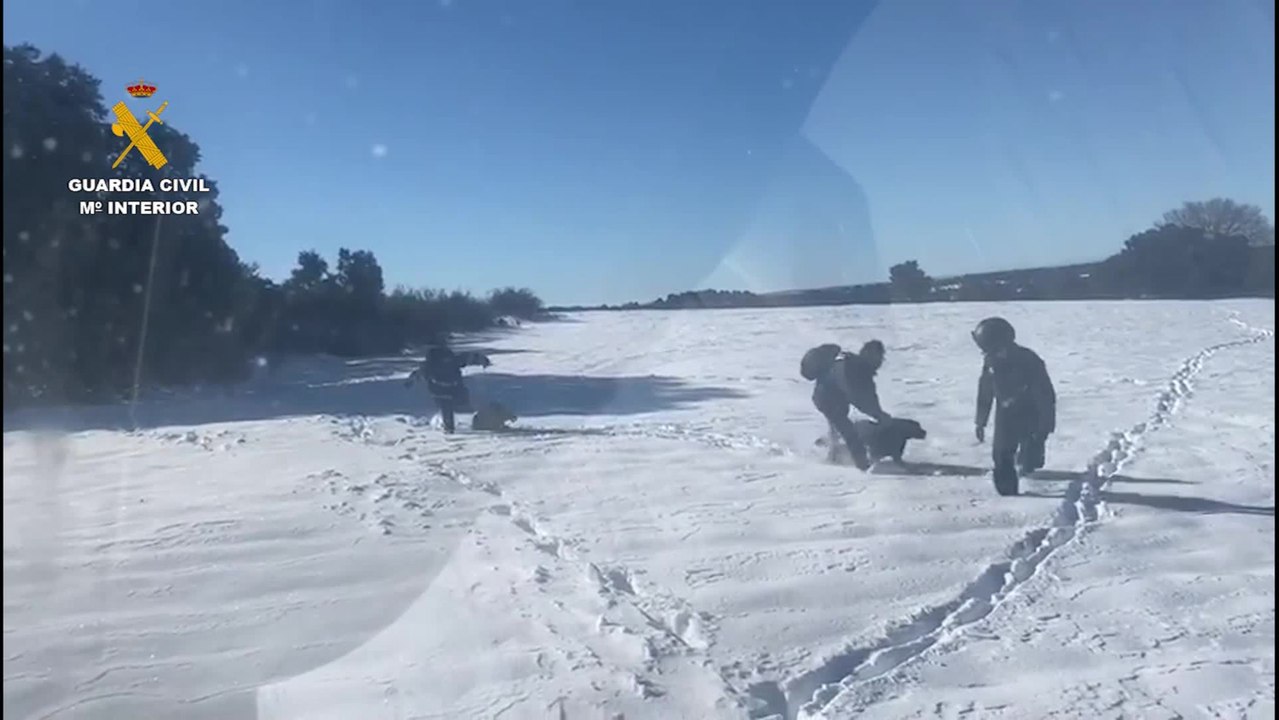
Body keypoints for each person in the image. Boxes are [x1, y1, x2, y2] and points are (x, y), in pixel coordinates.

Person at [971, 317, 1057, 496]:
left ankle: (1029, 462)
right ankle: (1009, 493)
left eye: (990, 348)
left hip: (1032, 412)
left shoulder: (1029, 360)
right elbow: (985, 391)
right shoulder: (991, 362)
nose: (987, 353)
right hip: (1006, 414)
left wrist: (1045, 426)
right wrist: (980, 422)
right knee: (1001, 454)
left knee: (1030, 454)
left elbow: (1046, 396)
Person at [804, 340, 893, 470]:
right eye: (878, 356)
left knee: (843, 426)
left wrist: (880, 415)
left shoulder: (865, 374)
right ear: (867, 354)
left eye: (881, 357)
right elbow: (854, 393)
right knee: (848, 431)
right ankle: (863, 466)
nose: (880, 361)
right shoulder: (850, 364)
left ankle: (830, 447)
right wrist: (878, 414)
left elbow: (871, 400)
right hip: (825, 398)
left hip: (835, 400)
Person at [405, 340, 492, 434]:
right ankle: (447, 424)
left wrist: (410, 381)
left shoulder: (431, 364)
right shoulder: (448, 360)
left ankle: (450, 423)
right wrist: (482, 359)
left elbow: (419, 372)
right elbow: (467, 358)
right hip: (448, 390)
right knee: (452, 407)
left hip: (444, 390)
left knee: (457, 406)